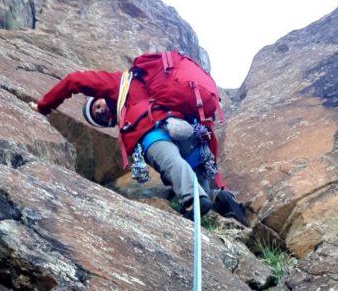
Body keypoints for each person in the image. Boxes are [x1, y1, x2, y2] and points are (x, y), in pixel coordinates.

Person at [30, 58, 246, 224]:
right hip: (185, 129)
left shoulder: (118, 84)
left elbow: (74, 80)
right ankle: (220, 198)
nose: (102, 112)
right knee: (196, 179)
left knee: (170, 164)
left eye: (97, 107)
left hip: (154, 130)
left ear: (99, 97)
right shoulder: (143, 81)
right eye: (99, 118)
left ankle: (193, 200)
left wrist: (43, 106)